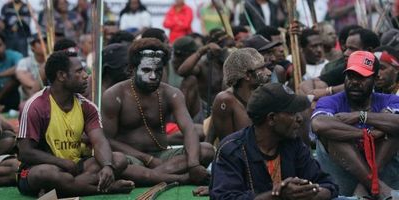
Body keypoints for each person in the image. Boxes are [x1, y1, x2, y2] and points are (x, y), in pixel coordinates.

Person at [16, 51, 134, 197]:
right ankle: (106, 188)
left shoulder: (87, 106)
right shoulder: (35, 106)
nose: (86, 75)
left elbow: (99, 141)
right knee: (47, 173)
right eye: (79, 71)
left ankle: (61, 189)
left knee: (118, 160)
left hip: (76, 167)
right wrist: (61, 162)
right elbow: (25, 152)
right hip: (38, 170)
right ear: (61, 76)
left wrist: (107, 166)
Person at [101, 38, 214, 186]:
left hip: (163, 156)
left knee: (206, 150)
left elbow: (189, 129)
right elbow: (107, 140)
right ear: (132, 69)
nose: (153, 76)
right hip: (130, 159)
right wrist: (147, 159)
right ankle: (180, 178)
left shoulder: (171, 93)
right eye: (147, 70)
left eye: (158, 70)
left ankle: (151, 177)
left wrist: (193, 164)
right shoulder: (115, 95)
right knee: (116, 161)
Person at [210, 83, 338, 199]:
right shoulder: (231, 150)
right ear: (271, 118)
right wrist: (278, 196)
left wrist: (307, 192)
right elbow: (224, 197)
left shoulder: (293, 143)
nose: (299, 118)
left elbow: (328, 185)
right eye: (292, 112)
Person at [311, 51, 399, 198]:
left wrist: (361, 116)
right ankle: (373, 184)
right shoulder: (330, 101)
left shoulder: (389, 100)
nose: (355, 82)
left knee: (393, 130)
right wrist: (367, 135)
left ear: (375, 79)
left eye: (362, 77)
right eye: (350, 76)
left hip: (388, 181)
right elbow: (319, 124)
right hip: (343, 186)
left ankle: (366, 185)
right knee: (333, 135)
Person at [208, 47, 272, 146]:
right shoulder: (225, 100)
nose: (269, 72)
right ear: (247, 75)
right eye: (262, 68)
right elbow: (228, 147)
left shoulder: (265, 95)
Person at [16, 34, 47, 105]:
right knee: (24, 86)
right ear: (32, 47)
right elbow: (23, 79)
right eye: (40, 42)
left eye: (45, 41)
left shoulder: (53, 60)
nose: (44, 44)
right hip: (33, 95)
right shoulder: (24, 62)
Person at [0, 32, 23, 112]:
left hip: (11, 94)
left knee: (17, 77)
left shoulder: (14, 55)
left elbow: (21, 66)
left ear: (5, 45)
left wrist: (0, 75)